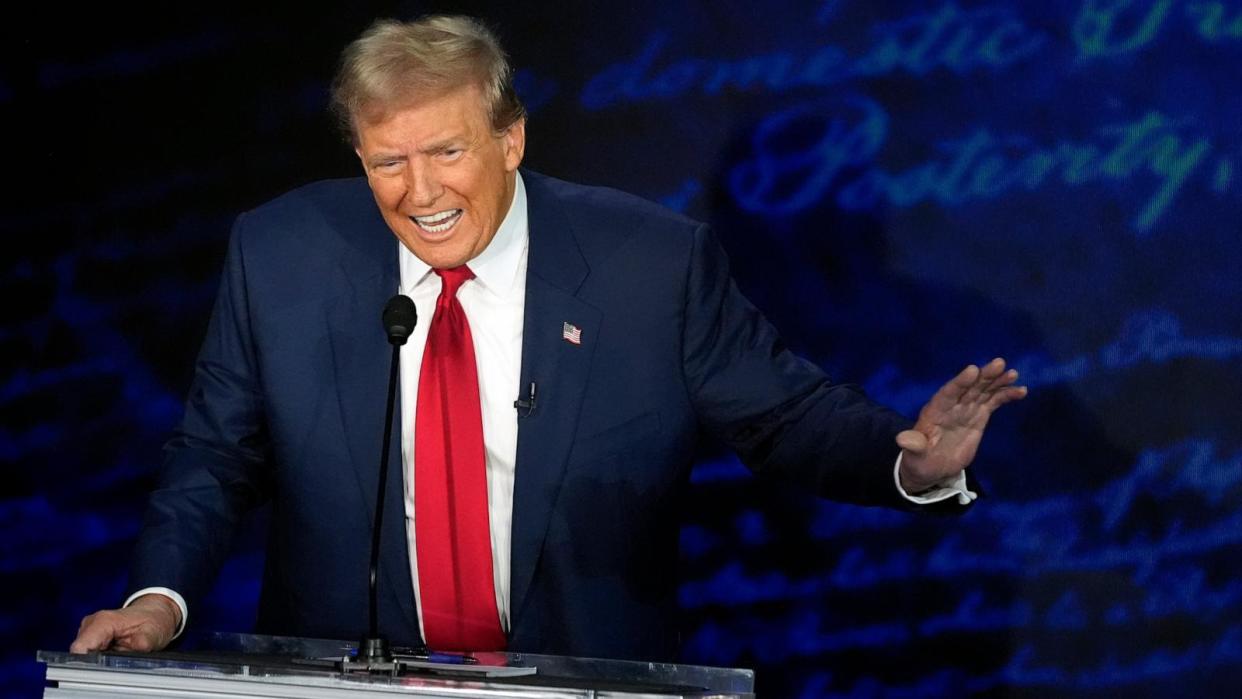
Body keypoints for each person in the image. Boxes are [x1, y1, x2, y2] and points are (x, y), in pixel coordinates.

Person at [71, 15, 1026, 661]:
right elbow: (212, 455)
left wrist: (910, 462)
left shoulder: (649, 263)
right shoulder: (281, 254)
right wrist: (161, 598)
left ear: (511, 140)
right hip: (342, 678)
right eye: (388, 162)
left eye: (447, 152)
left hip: (580, 673)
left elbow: (784, 415)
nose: (421, 193)